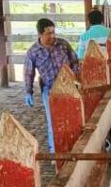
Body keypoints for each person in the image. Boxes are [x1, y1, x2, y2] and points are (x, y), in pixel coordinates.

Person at [23, 17, 79, 153]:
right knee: (53, 122)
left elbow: (75, 61)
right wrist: (28, 92)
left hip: (69, 86)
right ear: (40, 34)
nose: (52, 36)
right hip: (50, 89)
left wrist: (77, 79)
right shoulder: (33, 52)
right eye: (49, 33)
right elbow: (28, 73)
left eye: (54, 32)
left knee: (72, 117)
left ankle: (74, 147)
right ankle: (55, 152)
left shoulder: (63, 45)